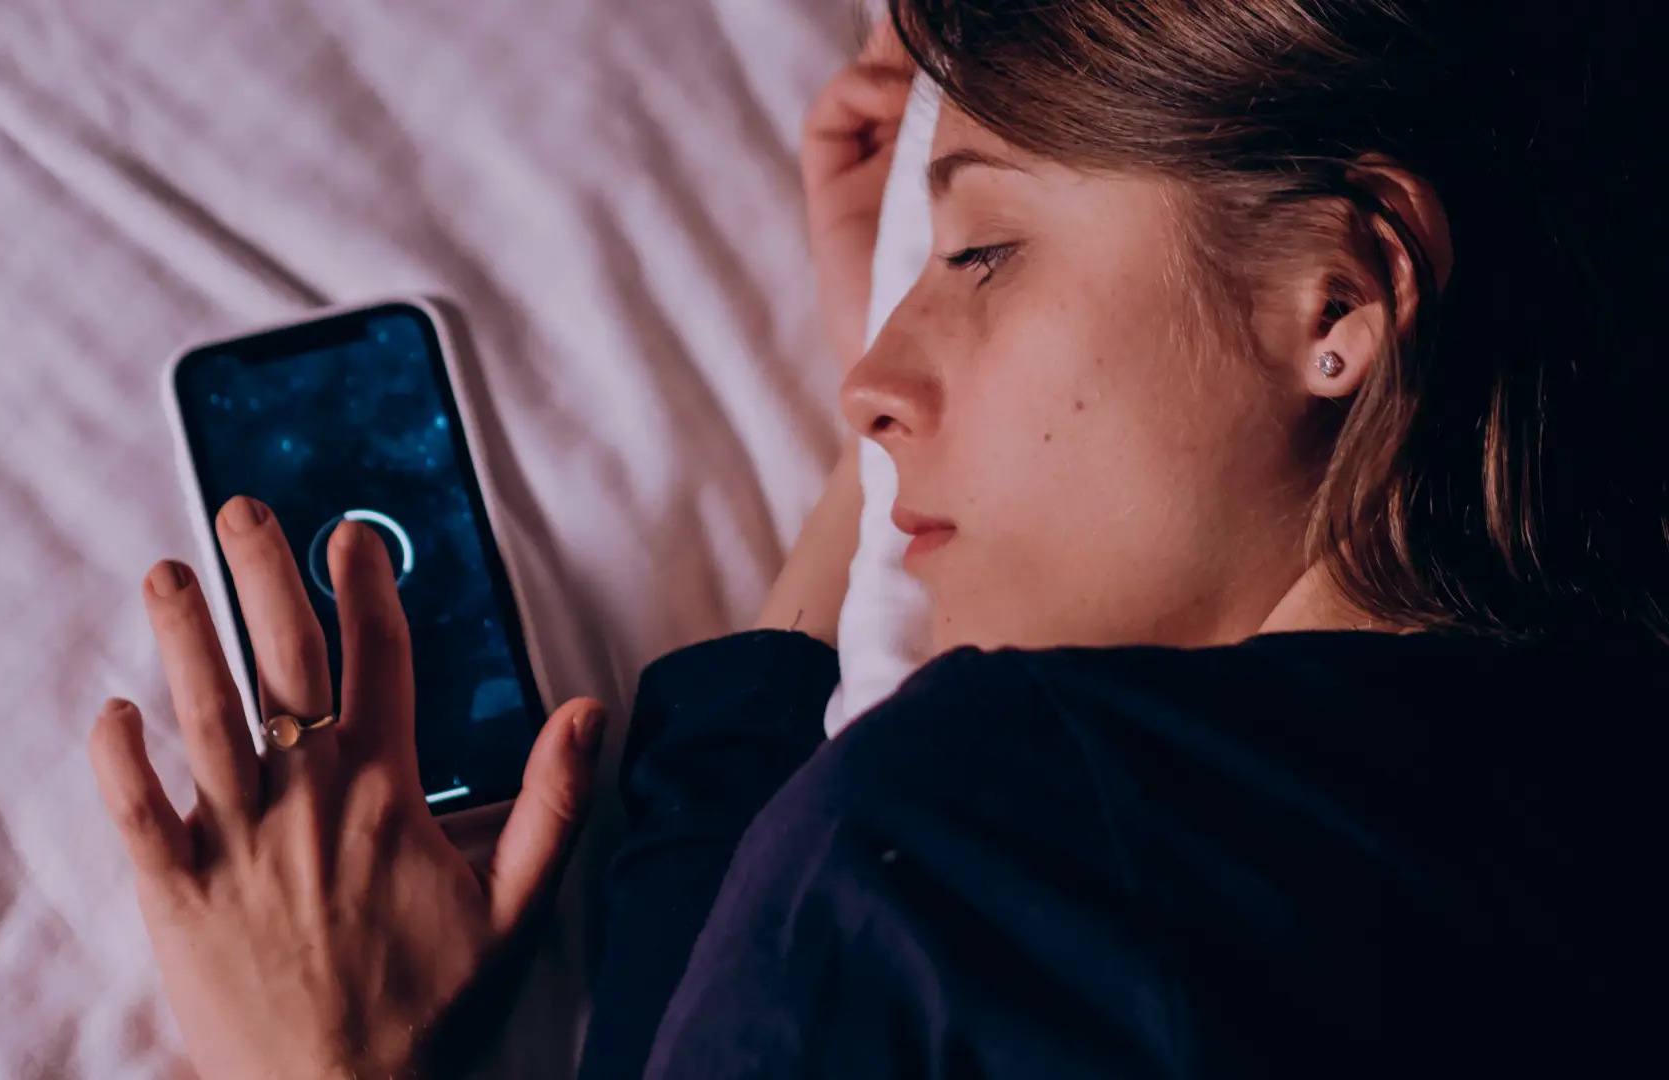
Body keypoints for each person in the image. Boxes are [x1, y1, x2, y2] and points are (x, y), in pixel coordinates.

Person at [87, 2, 1669, 1078]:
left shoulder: (977, 843)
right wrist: (911, 439)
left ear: (1337, 296)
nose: (866, 382)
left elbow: (878, 879)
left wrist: (316, 1055)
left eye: (983, 246)